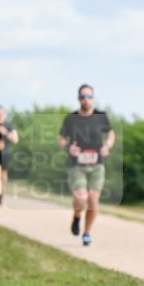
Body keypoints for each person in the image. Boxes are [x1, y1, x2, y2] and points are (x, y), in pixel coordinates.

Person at [58, 84, 115, 246]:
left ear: (94, 98)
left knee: (93, 199)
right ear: (78, 98)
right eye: (83, 96)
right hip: (77, 164)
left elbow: (110, 134)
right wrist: (68, 148)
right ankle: (77, 216)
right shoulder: (71, 118)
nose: (86, 99)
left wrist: (107, 146)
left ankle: (87, 232)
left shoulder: (101, 116)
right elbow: (61, 138)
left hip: (97, 164)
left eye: (89, 96)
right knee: (81, 197)